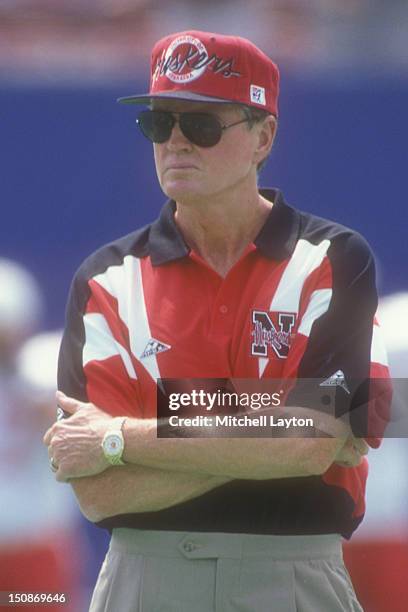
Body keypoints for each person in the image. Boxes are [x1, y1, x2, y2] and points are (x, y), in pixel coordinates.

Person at [44, 30, 391, 611]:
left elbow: (307, 444)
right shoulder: (104, 278)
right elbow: (99, 494)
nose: (176, 142)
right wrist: (279, 429)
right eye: (160, 123)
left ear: (264, 137)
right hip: (142, 577)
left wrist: (120, 437)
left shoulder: (334, 258)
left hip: (294, 576)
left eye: (202, 124)